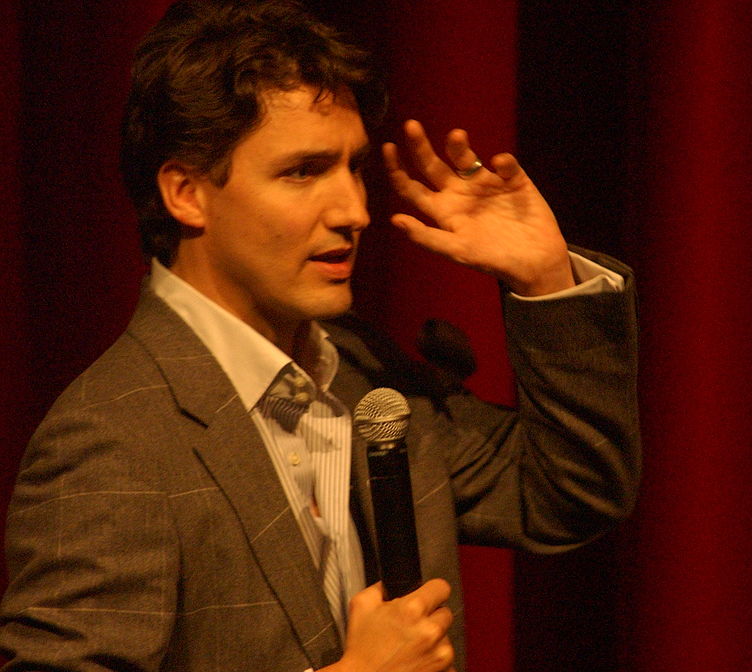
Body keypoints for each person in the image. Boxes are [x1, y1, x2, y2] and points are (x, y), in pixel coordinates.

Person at [0, 1, 640, 670]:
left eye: (354, 167)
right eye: (303, 171)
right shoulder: (113, 437)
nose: (355, 211)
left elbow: (572, 490)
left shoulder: (367, 377)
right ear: (186, 192)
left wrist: (546, 278)